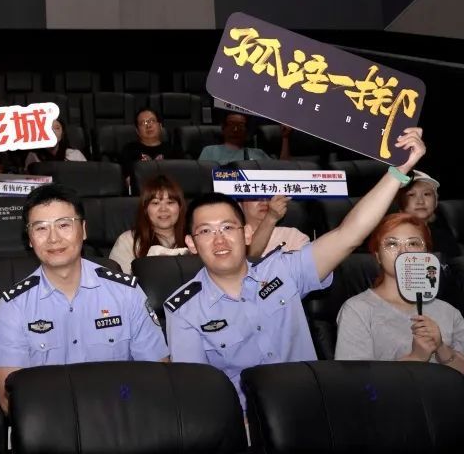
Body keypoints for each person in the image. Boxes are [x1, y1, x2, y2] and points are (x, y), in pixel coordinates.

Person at [167, 126, 426, 408]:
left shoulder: (284, 270)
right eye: (206, 231)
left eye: (228, 227)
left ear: (247, 234)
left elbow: (349, 234)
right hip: (245, 421)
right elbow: (199, 394)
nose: (219, 240)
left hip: (311, 407)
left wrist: (399, 171)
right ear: (191, 243)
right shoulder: (183, 311)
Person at [0, 184, 168, 413]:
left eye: (64, 225)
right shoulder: (13, 305)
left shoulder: (126, 293)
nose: (53, 238)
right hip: (50, 422)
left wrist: (119, 406)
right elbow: (10, 399)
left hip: (120, 418)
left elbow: (156, 376)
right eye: (41, 228)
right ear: (30, 239)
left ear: (83, 230)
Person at [334, 213, 464, 371]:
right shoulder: (357, 310)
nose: (403, 252)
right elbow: (355, 380)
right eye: (392, 244)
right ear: (378, 256)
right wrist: (415, 358)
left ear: (426, 254)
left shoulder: (450, 313)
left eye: (413, 243)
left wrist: (442, 348)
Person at [108, 175, 189, 274]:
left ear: (180, 207)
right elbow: (117, 281)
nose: (163, 209)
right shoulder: (128, 241)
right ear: (145, 209)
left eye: (170, 202)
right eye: (155, 203)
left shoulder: (195, 237)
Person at [397, 171, 460, 258]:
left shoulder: (444, 238)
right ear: (400, 203)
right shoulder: (392, 236)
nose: (420, 201)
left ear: (436, 202)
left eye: (427, 194)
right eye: (411, 195)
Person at [118, 108, 183, 181]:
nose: (148, 125)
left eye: (152, 121)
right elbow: (128, 180)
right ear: (137, 131)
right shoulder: (129, 150)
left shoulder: (173, 149)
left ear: (160, 126)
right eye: (143, 123)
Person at [243, 194, 308, 258]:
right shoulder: (237, 236)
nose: (264, 202)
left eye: (269, 197)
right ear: (240, 203)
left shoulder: (293, 236)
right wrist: (271, 217)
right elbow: (247, 260)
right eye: (255, 197)